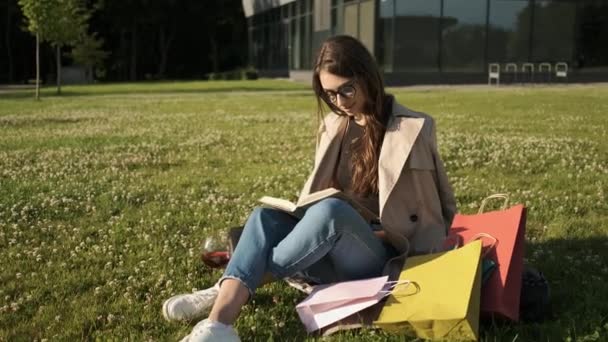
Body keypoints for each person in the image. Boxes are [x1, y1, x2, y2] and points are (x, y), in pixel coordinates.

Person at [162, 35, 457, 342]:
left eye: (347, 89)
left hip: (381, 258)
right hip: (330, 248)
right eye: (330, 94)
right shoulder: (333, 125)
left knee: (332, 211)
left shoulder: (413, 128)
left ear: (367, 77)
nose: (340, 102)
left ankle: (231, 286)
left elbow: (433, 212)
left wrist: (387, 236)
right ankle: (219, 326)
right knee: (265, 217)